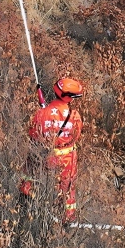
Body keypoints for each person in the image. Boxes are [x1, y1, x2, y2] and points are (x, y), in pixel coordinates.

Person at [21, 77, 85, 220]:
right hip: (67, 158)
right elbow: (76, 136)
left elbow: (32, 134)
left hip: (44, 155)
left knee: (30, 172)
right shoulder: (74, 116)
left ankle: (27, 200)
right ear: (69, 98)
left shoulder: (41, 113)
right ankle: (67, 218)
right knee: (67, 188)